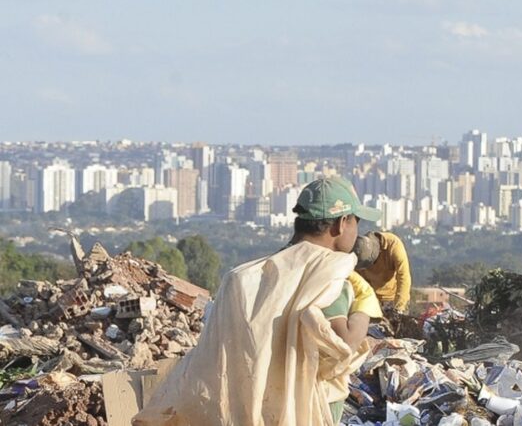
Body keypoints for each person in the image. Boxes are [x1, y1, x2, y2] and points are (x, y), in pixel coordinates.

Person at [134, 176, 382, 426]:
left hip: (248, 413)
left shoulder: (244, 278)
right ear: (341, 224)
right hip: (306, 413)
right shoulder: (328, 274)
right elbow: (346, 343)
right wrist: (364, 304)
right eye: (356, 222)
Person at [352, 230, 413, 313]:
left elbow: (403, 276)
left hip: (394, 298)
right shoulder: (359, 251)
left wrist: (399, 307)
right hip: (372, 300)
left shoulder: (393, 245)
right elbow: (355, 281)